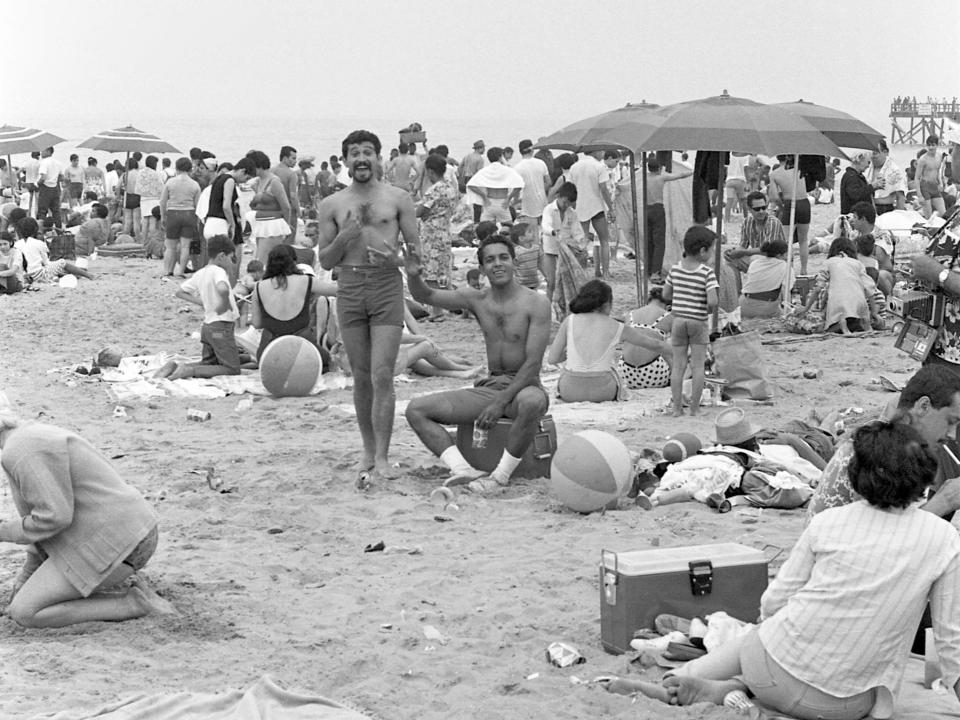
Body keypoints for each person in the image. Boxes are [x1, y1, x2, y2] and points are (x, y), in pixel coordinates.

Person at [610, 419, 960, 720]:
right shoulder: (944, 538)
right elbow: (950, 638)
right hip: (847, 705)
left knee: (768, 635)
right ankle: (731, 688)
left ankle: (690, 683)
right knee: (799, 653)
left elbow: (773, 603)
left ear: (858, 476)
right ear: (923, 475)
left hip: (770, 673)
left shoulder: (829, 523)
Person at [0, 391, 174, 628]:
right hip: (130, 533)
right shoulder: (25, 438)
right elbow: (41, 521)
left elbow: (53, 518)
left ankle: (131, 603)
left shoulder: (20, 451)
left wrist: (3, 533)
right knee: (23, 601)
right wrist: (26, 581)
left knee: (25, 612)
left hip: (122, 542)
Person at [405, 234, 551, 491]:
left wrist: (501, 402)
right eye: (490, 260)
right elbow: (425, 294)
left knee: (533, 402)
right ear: (482, 268)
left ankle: (499, 478)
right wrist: (414, 274)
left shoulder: (536, 302)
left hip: (523, 386)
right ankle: (463, 469)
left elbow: (532, 364)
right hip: (491, 385)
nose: (498, 264)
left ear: (514, 262)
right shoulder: (477, 299)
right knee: (416, 409)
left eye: (504, 257)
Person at [316, 130, 419, 489]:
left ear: (379, 158)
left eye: (368, 152)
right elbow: (326, 259)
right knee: (360, 375)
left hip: (387, 285)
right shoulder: (332, 205)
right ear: (345, 160)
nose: (361, 159)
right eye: (354, 153)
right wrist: (344, 239)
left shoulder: (398, 199)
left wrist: (399, 259)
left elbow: (418, 256)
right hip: (350, 287)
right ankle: (367, 448)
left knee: (381, 374)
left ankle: (383, 456)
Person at [809, 365, 960, 518]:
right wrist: (945, 500)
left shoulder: (907, 450)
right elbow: (884, 533)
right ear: (923, 406)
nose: (952, 435)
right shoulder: (873, 451)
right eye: (950, 421)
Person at [547, 280, 664, 402]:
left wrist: (571, 352)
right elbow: (654, 344)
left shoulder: (569, 321)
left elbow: (552, 359)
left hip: (570, 391)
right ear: (607, 304)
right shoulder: (617, 326)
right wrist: (678, 350)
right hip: (604, 391)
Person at [157, 235, 241, 379]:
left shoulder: (201, 273)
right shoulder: (219, 271)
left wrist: (202, 302)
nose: (231, 263)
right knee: (232, 368)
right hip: (220, 329)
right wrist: (223, 301)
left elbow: (180, 292)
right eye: (230, 258)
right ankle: (190, 371)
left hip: (208, 329)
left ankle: (176, 367)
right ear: (221, 256)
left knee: (209, 363)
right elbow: (222, 287)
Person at [663, 226, 719, 416]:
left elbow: (666, 294)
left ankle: (677, 408)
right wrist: (704, 306)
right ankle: (694, 408)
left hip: (678, 321)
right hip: (698, 321)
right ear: (703, 250)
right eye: (711, 249)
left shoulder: (675, 269)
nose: (712, 254)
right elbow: (713, 301)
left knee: (678, 366)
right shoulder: (706, 273)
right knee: (697, 366)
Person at [250, 244, 333, 361]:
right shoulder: (306, 281)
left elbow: (257, 324)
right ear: (294, 261)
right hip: (303, 352)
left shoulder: (259, 287)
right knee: (326, 360)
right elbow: (338, 291)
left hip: (269, 353)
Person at [799, 237, 879, 334]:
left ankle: (841, 323)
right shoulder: (858, 264)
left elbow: (818, 289)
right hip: (859, 304)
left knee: (828, 328)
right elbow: (870, 289)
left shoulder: (828, 263)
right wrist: (874, 312)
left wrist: (806, 309)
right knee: (857, 318)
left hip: (838, 304)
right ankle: (863, 321)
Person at [416, 154, 459, 322]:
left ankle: (437, 310)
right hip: (444, 231)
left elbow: (421, 211)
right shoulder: (451, 188)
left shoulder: (434, 189)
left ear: (430, 171)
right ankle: (447, 305)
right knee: (443, 270)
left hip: (431, 233)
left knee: (431, 273)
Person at [724, 191, 786, 295]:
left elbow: (768, 250)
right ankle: (738, 294)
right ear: (749, 209)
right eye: (757, 209)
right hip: (759, 259)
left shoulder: (773, 222)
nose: (761, 211)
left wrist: (743, 252)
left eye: (763, 207)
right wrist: (732, 252)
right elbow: (742, 246)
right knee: (730, 261)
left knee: (754, 259)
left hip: (777, 260)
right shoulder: (747, 222)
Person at [645, 158, 693, 281]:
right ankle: (655, 272)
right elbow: (680, 175)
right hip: (658, 209)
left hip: (646, 209)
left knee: (649, 241)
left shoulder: (645, 179)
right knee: (659, 242)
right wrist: (692, 172)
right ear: (660, 169)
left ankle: (648, 270)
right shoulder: (661, 178)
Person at [541, 181, 587, 305]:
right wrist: (553, 232)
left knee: (567, 281)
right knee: (551, 282)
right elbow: (545, 225)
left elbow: (577, 231)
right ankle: (547, 307)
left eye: (569, 203)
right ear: (559, 197)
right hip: (550, 249)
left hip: (567, 251)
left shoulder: (572, 213)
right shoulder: (549, 209)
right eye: (564, 202)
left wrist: (581, 244)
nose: (566, 205)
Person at [569, 150, 614, 278]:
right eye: (601, 152)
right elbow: (604, 189)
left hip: (580, 207)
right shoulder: (599, 166)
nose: (602, 154)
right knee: (604, 240)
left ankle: (581, 272)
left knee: (581, 243)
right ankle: (605, 272)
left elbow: (570, 188)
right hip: (596, 207)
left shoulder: (574, 167)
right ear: (595, 152)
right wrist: (610, 208)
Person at [618, 287, 673, 390]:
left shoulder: (630, 314)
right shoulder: (668, 316)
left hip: (626, 375)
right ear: (668, 305)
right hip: (654, 375)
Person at [14, 217, 94, 285]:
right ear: (35, 229)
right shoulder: (39, 243)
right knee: (63, 263)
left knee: (54, 269)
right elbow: (46, 262)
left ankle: (62, 274)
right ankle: (88, 275)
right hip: (40, 274)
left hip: (24, 275)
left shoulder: (16, 245)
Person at [247, 150, 292, 267]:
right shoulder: (258, 181)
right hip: (261, 225)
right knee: (260, 259)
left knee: (262, 262)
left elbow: (286, 207)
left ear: (258, 165)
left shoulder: (274, 182)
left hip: (272, 226)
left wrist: (286, 226)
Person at [768, 155, 811, 274]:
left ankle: (789, 269)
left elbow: (774, 197)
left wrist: (781, 207)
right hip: (804, 203)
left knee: (786, 240)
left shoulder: (774, 174)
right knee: (803, 239)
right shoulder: (799, 168)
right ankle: (804, 269)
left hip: (788, 202)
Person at [159, 158, 201, 277]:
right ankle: (181, 271)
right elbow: (198, 205)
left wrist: (163, 216)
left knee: (170, 246)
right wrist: (197, 220)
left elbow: (162, 201)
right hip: (189, 213)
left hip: (173, 213)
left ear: (176, 168)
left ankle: (167, 271)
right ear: (189, 169)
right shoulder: (195, 184)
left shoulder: (170, 182)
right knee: (185, 246)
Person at [466, 147, 524, 224]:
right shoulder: (507, 170)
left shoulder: (485, 171)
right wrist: (509, 198)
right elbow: (520, 184)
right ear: (500, 157)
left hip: (489, 202)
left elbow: (471, 185)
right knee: (508, 228)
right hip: (503, 202)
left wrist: (483, 196)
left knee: (488, 229)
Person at [739, 238, 791, 319]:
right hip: (765, 308)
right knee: (780, 313)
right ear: (779, 255)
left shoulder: (755, 262)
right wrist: (788, 313)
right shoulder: (784, 266)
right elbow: (786, 292)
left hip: (743, 305)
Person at [513, 139, 550, 234]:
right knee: (546, 228)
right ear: (532, 150)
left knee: (533, 232)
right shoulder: (541, 163)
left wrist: (514, 201)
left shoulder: (517, 168)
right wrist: (540, 190)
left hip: (528, 202)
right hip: (542, 199)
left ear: (520, 151)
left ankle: (537, 247)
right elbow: (549, 182)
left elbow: (517, 188)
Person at [866, 139, 907, 214]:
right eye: (871, 153)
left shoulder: (894, 170)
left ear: (885, 152)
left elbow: (900, 195)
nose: (872, 156)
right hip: (868, 207)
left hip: (884, 208)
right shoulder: (867, 167)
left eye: (875, 153)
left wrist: (900, 215)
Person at [272, 146, 300, 243]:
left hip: (273, 210)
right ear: (284, 158)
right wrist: (299, 210)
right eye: (293, 158)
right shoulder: (291, 174)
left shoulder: (271, 171)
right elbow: (293, 196)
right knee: (289, 240)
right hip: (288, 211)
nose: (295, 161)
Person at [135, 156, 165, 242]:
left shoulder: (140, 173)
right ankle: (152, 241)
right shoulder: (155, 173)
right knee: (152, 221)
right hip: (154, 199)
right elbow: (161, 187)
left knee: (145, 221)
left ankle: (144, 241)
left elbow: (137, 188)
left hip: (144, 199)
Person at [917, 135, 946, 217]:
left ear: (937, 145)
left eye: (933, 145)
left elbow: (939, 172)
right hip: (925, 186)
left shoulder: (939, 156)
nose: (931, 147)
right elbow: (917, 178)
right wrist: (919, 195)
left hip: (935, 186)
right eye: (929, 145)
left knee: (944, 214)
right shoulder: (923, 159)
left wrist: (941, 184)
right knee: (928, 217)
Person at [840, 151, 876, 215]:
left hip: (858, 217)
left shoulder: (857, 176)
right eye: (868, 162)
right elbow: (855, 195)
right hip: (854, 217)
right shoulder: (851, 176)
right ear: (860, 160)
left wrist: (873, 187)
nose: (868, 165)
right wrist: (872, 187)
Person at [36, 147, 62, 228]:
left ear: (48, 151)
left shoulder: (44, 162)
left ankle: (41, 229)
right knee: (56, 211)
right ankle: (58, 228)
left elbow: (43, 177)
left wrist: (37, 184)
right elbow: (61, 177)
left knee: (42, 210)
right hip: (55, 188)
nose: (41, 153)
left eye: (43, 150)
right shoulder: (58, 163)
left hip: (46, 188)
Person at [459, 140, 487, 218]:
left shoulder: (467, 156)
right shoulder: (480, 159)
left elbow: (460, 167)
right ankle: (476, 219)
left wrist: (461, 176)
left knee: (467, 199)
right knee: (477, 200)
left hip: (465, 178)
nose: (484, 150)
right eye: (483, 148)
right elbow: (479, 173)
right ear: (480, 148)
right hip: (473, 179)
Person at [723, 152, 750, 222]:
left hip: (729, 180)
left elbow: (725, 168)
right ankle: (746, 217)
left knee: (729, 200)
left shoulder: (729, 156)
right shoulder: (745, 157)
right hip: (740, 180)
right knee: (744, 200)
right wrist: (748, 182)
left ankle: (727, 218)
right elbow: (746, 169)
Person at [120, 158, 141, 239]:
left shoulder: (125, 174)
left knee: (127, 222)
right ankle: (138, 239)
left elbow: (118, 187)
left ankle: (124, 239)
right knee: (136, 222)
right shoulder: (139, 174)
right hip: (137, 197)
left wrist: (119, 197)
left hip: (127, 198)